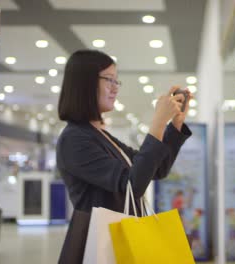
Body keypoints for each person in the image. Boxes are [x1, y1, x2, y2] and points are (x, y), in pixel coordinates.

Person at [56, 50, 192, 258]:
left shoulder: (99, 135)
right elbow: (132, 185)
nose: (114, 88)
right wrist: (157, 123)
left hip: (119, 239)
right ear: (84, 83)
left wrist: (174, 125)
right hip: (100, 246)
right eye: (109, 80)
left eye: (116, 81)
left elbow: (156, 169)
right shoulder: (74, 139)